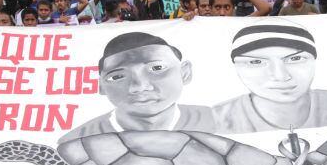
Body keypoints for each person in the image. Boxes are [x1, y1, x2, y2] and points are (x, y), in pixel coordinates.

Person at [215, 22, 327, 133]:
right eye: (256, 62)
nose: (281, 76)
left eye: (295, 59)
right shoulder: (218, 120)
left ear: (314, 60)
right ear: (235, 66)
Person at [60, 32, 216, 141]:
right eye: (117, 76)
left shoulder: (215, 122)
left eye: (157, 68)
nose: (140, 86)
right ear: (100, 86)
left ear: (185, 73)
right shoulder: (78, 141)